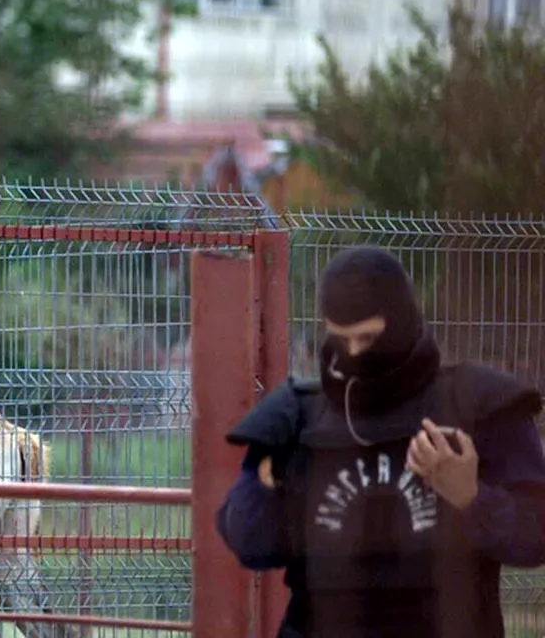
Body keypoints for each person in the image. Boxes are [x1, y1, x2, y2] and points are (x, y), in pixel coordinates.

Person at [215, 245, 545, 638]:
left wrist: (470, 497)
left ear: (401, 321)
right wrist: (269, 483)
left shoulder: (477, 406)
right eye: (342, 338)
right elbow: (250, 545)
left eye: (368, 337)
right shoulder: (297, 415)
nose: (355, 353)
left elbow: (536, 539)